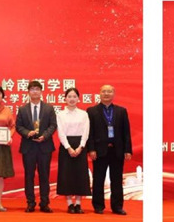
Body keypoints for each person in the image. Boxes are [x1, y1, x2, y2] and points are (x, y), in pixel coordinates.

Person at [87, 84, 133, 215]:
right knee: (98, 179)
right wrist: (91, 149)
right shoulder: (91, 111)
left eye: (109, 91)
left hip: (117, 150)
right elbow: (89, 132)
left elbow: (126, 132)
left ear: (113, 94)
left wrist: (128, 150)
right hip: (99, 150)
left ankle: (117, 206)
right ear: (99, 93)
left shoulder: (121, 111)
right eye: (104, 91)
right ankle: (98, 206)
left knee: (117, 180)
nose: (106, 94)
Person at [16, 80, 57, 213]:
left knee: (44, 175)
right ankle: (30, 203)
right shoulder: (22, 109)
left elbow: (53, 125)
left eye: (37, 89)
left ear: (41, 92)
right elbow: (18, 126)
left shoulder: (49, 108)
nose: (35, 92)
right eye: (32, 89)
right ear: (28, 92)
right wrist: (28, 133)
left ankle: (44, 203)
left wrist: (44, 136)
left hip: (44, 146)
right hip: (28, 147)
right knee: (29, 176)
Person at [56, 87, 91, 213]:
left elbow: (86, 131)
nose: (72, 99)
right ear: (65, 99)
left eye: (74, 96)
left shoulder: (83, 114)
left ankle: (78, 204)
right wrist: (68, 147)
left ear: (78, 98)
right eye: (69, 96)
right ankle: (70, 203)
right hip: (66, 146)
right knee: (66, 174)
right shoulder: (60, 114)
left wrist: (81, 146)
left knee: (80, 174)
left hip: (80, 146)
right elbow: (61, 132)